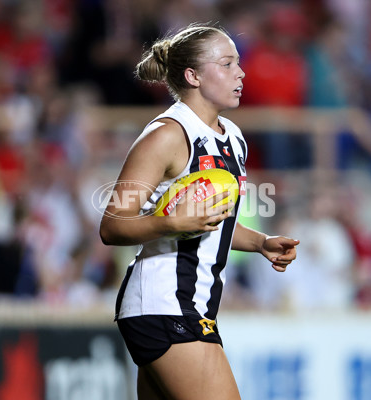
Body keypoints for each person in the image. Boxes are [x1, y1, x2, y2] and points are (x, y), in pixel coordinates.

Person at [99, 23, 299, 399]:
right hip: (164, 304)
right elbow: (112, 225)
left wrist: (260, 242)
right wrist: (171, 222)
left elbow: (212, 222)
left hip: (191, 307)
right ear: (192, 76)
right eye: (226, 64)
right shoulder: (167, 135)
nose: (240, 73)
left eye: (238, 63)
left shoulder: (233, 138)